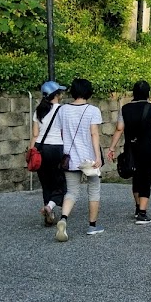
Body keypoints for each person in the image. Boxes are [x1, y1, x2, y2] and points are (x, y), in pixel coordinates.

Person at [107, 80, 151, 225]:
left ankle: (137, 208)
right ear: (148, 93)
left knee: (136, 177)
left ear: (133, 93)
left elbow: (119, 129)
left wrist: (111, 147)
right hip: (148, 147)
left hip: (131, 147)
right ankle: (142, 213)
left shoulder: (125, 109)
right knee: (146, 178)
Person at [55, 78, 104, 242]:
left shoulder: (63, 110)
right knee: (94, 189)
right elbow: (94, 134)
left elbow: (61, 132)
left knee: (71, 192)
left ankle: (63, 219)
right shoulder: (93, 110)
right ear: (89, 92)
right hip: (89, 159)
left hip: (70, 158)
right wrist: (98, 156)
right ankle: (92, 226)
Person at [29, 80, 66, 226]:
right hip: (56, 148)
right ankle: (50, 207)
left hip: (39, 148)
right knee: (61, 183)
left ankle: (48, 215)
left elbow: (35, 133)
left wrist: (32, 151)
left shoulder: (38, 109)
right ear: (56, 94)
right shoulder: (61, 110)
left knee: (46, 184)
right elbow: (64, 132)